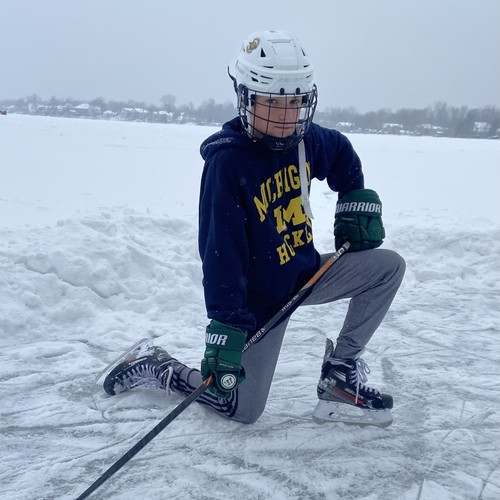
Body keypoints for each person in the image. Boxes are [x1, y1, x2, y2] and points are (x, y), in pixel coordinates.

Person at [102, 30, 405, 427]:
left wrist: (353, 197)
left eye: (295, 102)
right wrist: (227, 323)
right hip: (259, 302)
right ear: (246, 98)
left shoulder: (305, 140)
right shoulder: (227, 164)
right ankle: (157, 365)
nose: (286, 115)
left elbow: (341, 153)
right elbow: (221, 253)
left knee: (387, 268)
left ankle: (340, 375)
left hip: (306, 275)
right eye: (273, 102)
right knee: (242, 410)